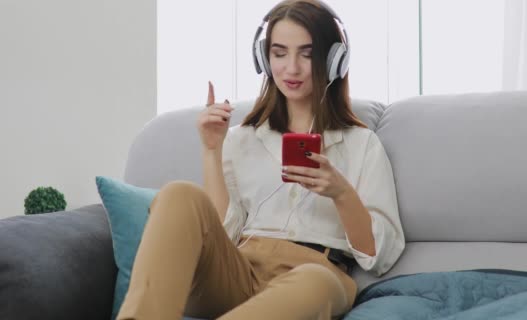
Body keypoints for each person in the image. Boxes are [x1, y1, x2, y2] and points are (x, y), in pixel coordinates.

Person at [117, 0, 405, 319]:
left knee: (316, 280)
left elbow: (380, 257)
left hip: (314, 274)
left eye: (307, 54)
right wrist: (212, 150)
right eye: (279, 53)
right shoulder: (241, 138)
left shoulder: (362, 144)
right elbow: (222, 235)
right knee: (178, 193)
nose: (291, 68)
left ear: (334, 60)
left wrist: (341, 192)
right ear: (264, 59)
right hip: (238, 271)